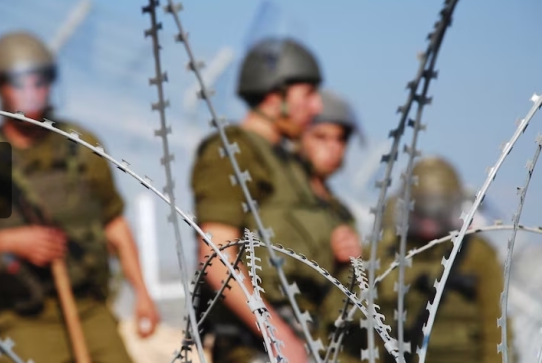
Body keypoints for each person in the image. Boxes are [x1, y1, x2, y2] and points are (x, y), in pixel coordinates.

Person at [0, 31, 160, 363]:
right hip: (24, 319)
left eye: (39, 81)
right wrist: (9, 241)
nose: (31, 92)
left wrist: (142, 294)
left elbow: (113, 223)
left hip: (90, 309)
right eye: (18, 83)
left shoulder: (79, 146)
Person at [190, 37, 361, 363]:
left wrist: (342, 248)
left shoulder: (292, 167)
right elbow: (216, 255)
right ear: (275, 95)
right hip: (257, 346)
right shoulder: (234, 152)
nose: (317, 107)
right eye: (308, 95)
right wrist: (275, 332)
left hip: (311, 337)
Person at [374, 155, 511, 363]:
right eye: (422, 212)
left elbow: (496, 332)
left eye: (438, 213)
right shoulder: (386, 250)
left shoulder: (477, 255)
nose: (429, 226)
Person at [296, 89, 366, 362]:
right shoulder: (278, 198)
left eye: (340, 139)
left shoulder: (339, 212)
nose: (333, 147)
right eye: (321, 137)